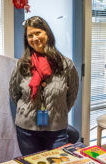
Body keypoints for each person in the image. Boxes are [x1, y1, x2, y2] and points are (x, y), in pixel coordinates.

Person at [9, 16, 79, 156]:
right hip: (27, 129)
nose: (35, 38)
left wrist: (57, 110)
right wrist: (30, 109)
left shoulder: (66, 65)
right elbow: (14, 93)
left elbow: (71, 95)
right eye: (30, 35)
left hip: (57, 129)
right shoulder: (22, 65)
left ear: (47, 33)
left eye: (38, 33)